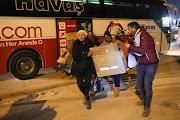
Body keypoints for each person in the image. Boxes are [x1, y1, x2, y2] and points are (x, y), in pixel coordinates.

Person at [125, 22, 159, 117]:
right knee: (139, 83)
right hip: (141, 64)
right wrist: (129, 66)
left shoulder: (144, 35)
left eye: (128, 29)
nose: (128, 31)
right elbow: (136, 53)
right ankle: (143, 99)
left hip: (151, 64)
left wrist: (130, 46)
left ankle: (147, 107)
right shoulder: (136, 36)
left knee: (147, 85)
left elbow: (142, 50)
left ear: (133, 28)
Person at [72, 30, 93, 109]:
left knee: (87, 83)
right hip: (79, 67)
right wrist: (87, 55)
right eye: (79, 35)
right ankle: (85, 94)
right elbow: (75, 56)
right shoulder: (76, 44)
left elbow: (94, 50)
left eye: (82, 35)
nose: (81, 36)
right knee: (80, 84)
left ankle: (87, 99)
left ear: (85, 35)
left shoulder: (89, 42)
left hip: (88, 66)